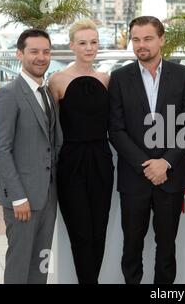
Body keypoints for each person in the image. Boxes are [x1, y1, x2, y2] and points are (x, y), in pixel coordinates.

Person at [108, 16, 185, 284]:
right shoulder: (120, 77)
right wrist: (147, 165)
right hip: (135, 178)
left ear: (161, 39)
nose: (141, 45)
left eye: (147, 38)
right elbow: (116, 129)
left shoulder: (182, 75)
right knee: (131, 248)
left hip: (171, 177)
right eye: (136, 39)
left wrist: (165, 163)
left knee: (167, 248)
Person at [0, 29, 63, 283]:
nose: (40, 57)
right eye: (34, 51)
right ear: (20, 54)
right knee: (19, 266)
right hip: (22, 199)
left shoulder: (46, 92)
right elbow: (1, 149)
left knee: (41, 264)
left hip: (47, 196)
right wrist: (19, 196)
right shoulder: (9, 94)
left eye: (45, 51)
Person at [48, 19, 114, 284]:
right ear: (72, 45)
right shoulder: (57, 80)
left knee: (99, 231)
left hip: (101, 159)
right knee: (81, 233)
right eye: (83, 43)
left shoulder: (106, 80)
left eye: (94, 42)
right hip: (71, 162)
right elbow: (50, 127)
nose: (89, 48)